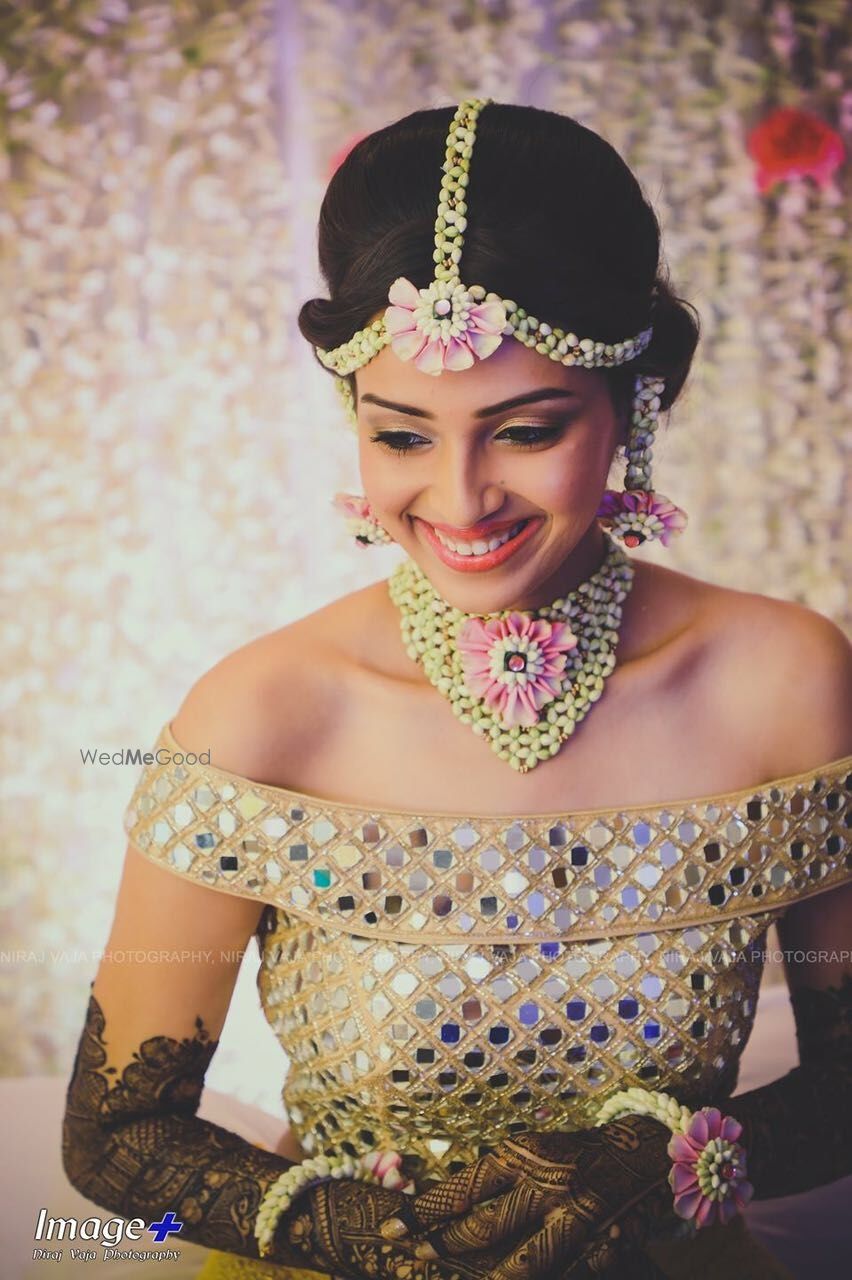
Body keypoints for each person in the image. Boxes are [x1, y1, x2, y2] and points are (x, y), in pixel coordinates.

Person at [61, 99, 852, 1280]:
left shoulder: (783, 682)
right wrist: (343, 1229)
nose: (461, 498)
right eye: (404, 436)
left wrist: (665, 1155)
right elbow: (115, 1137)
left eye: (524, 428)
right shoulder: (267, 712)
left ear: (635, 405)